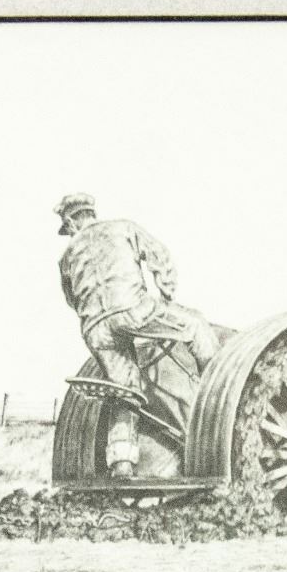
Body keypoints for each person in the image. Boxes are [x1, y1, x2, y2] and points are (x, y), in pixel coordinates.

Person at [54, 193, 221, 477]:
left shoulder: (66, 256)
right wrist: (166, 291)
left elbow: (71, 298)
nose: (68, 232)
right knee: (195, 325)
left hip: (95, 329)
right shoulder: (123, 228)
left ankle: (122, 462)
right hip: (134, 310)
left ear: (71, 221)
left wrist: (96, 312)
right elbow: (159, 256)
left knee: (126, 391)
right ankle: (219, 398)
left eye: (66, 227)